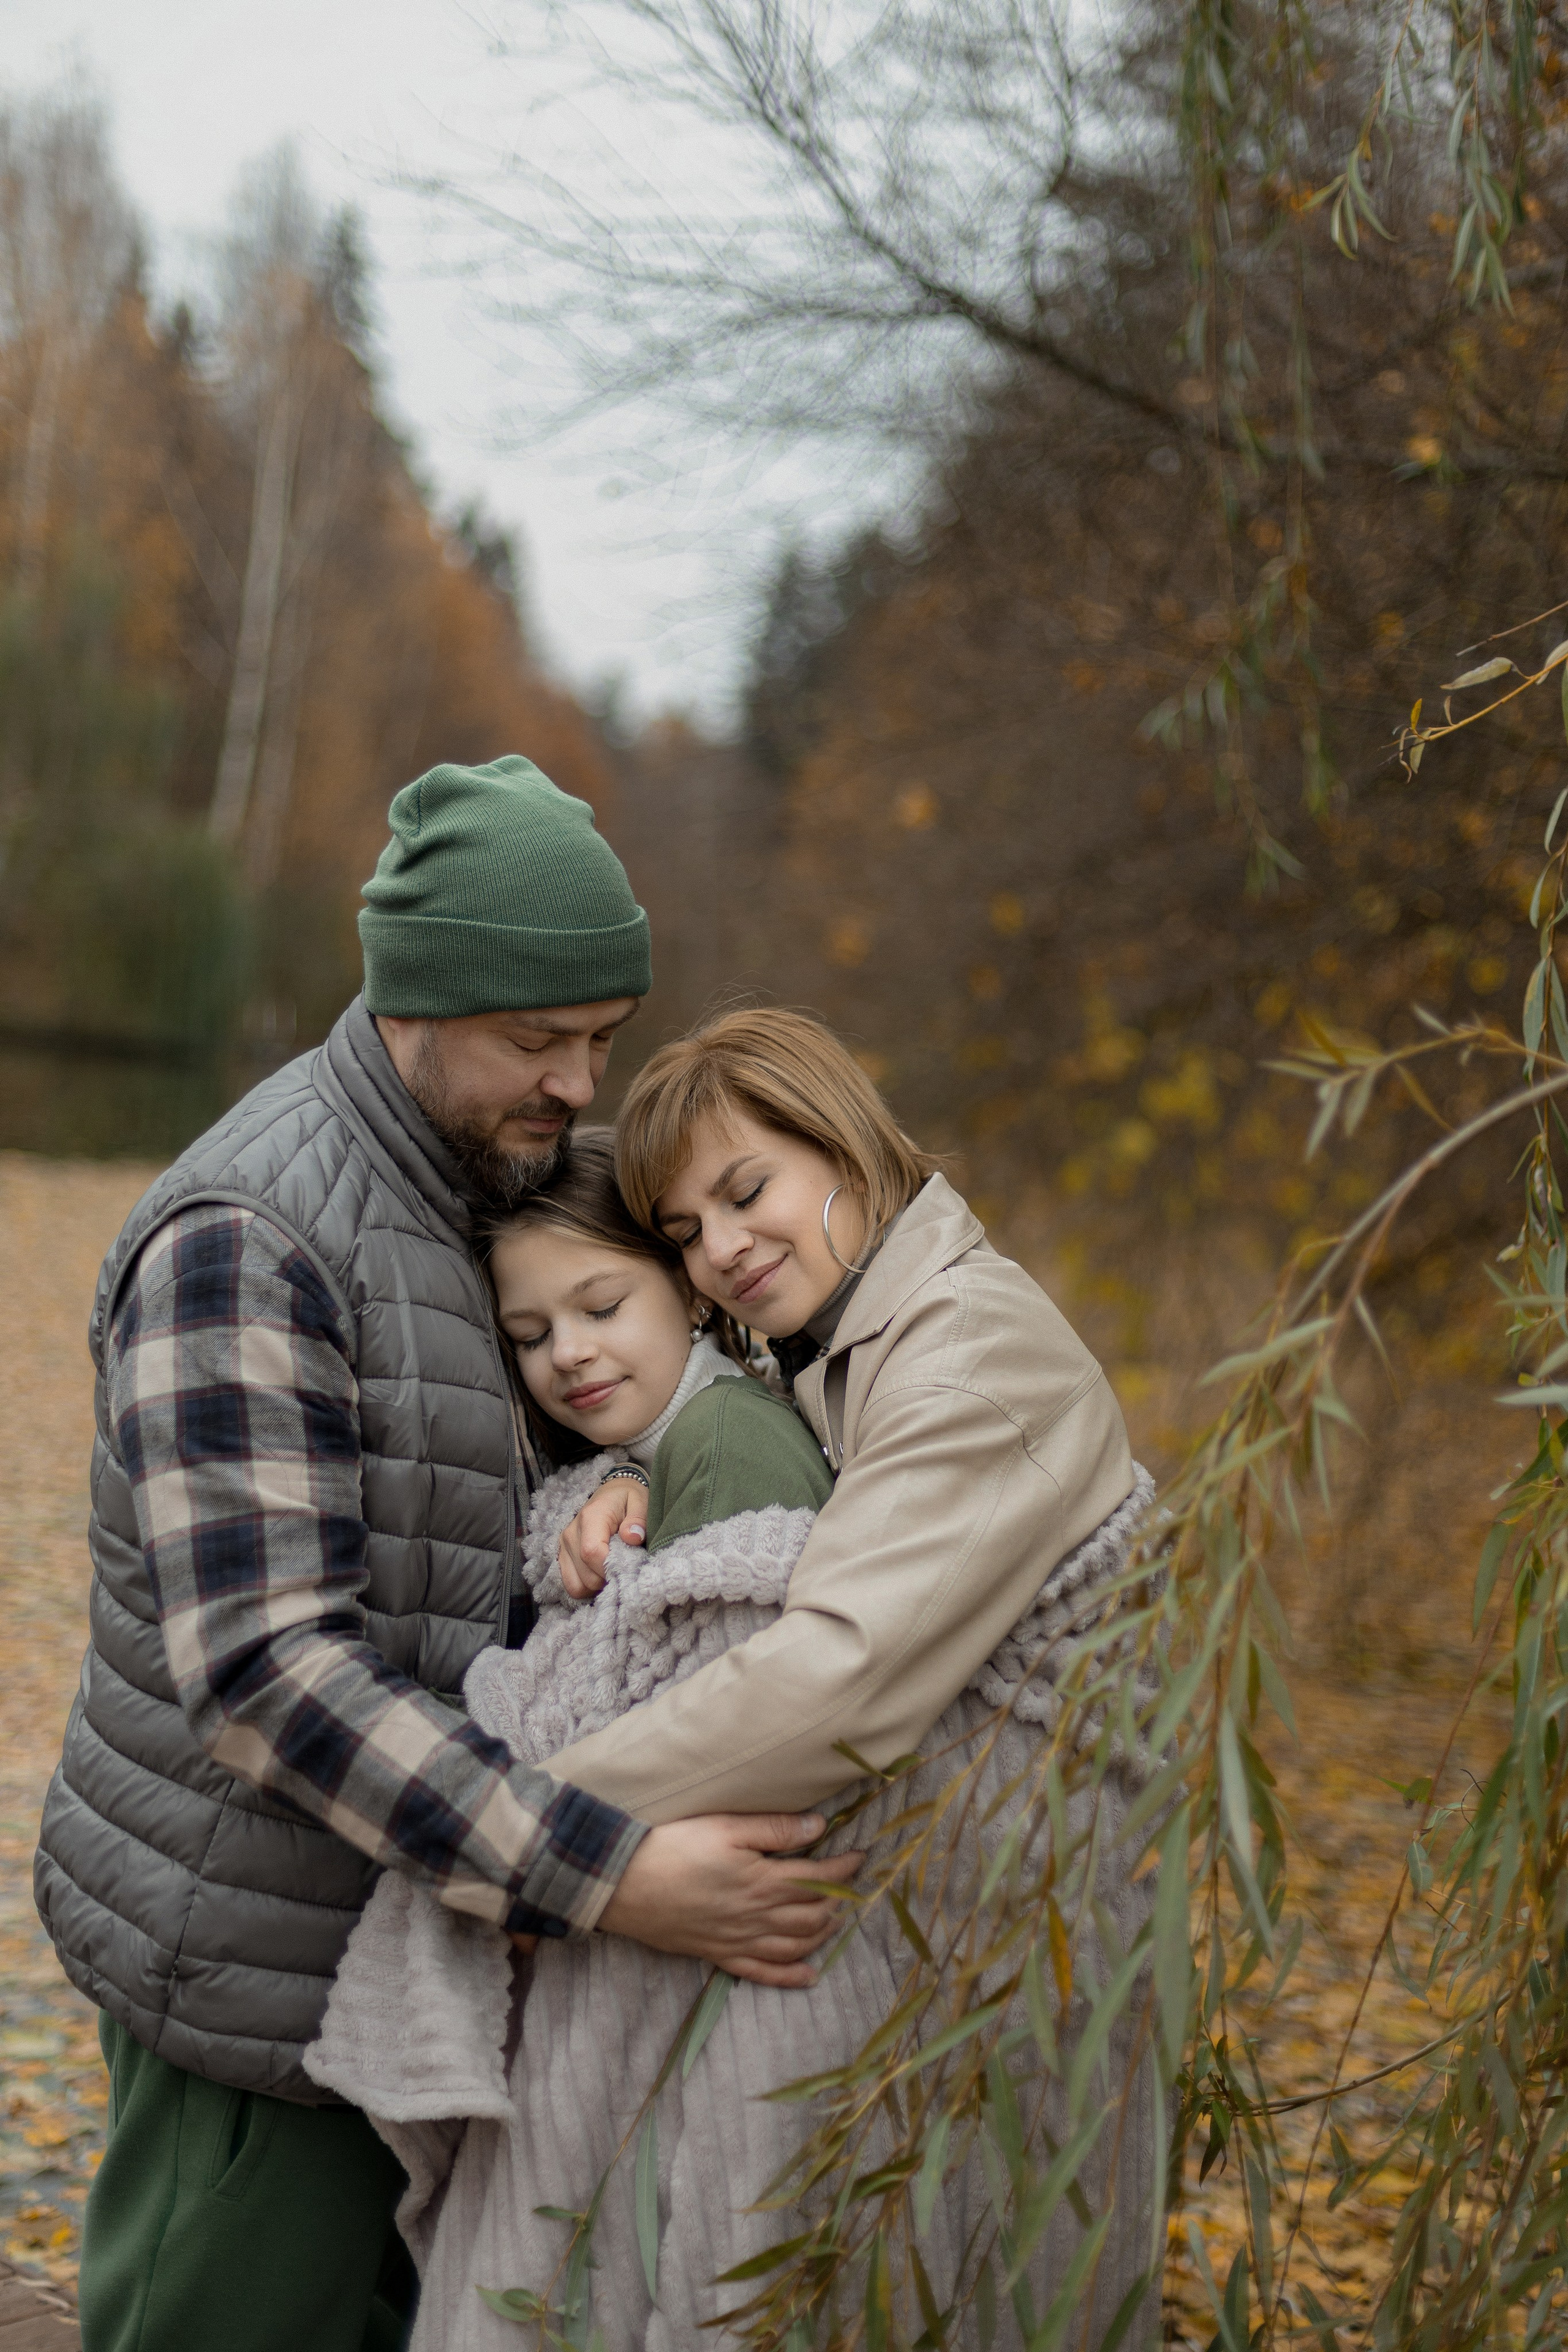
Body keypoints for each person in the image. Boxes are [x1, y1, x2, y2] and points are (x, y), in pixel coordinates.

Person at [32, 762, 857, 2352]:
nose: (574, 1083)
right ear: (415, 1001)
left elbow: (640, 1309)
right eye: (537, 1044)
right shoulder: (247, 1242)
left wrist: (607, 1485)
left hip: (407, 1967)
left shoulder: (475, 1176)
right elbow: (269, 1679)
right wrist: (613, 1879)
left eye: (601, 1041)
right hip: (258, 1994)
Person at [312, 1022, 1156, 2351]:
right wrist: (637, 1482)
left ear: (846, 1143)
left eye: (745, 1190)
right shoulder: (845, 1340)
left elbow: (834, 1684)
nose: (721, 1245)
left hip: (1004, 1943)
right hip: (921, 1935)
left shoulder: (967, 1356)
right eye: (685, 1226)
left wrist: (527, 1828)